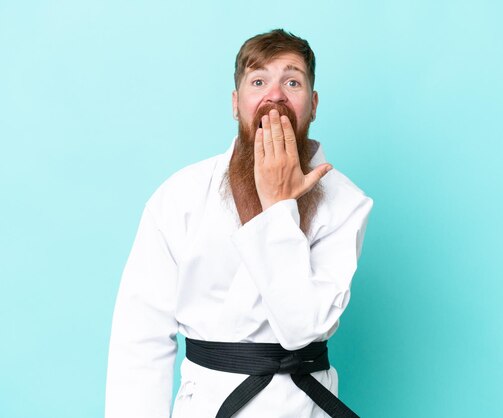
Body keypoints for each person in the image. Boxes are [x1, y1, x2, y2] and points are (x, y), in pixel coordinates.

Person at [105, 29, 373, 418]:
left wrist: (280, 205)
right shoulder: (180, 196)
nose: (275, 95)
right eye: (259, 81)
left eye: (292, 81)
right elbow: (140, 339)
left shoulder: (346, 201)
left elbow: (302, 327)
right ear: (236, 103)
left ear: (313, 105)